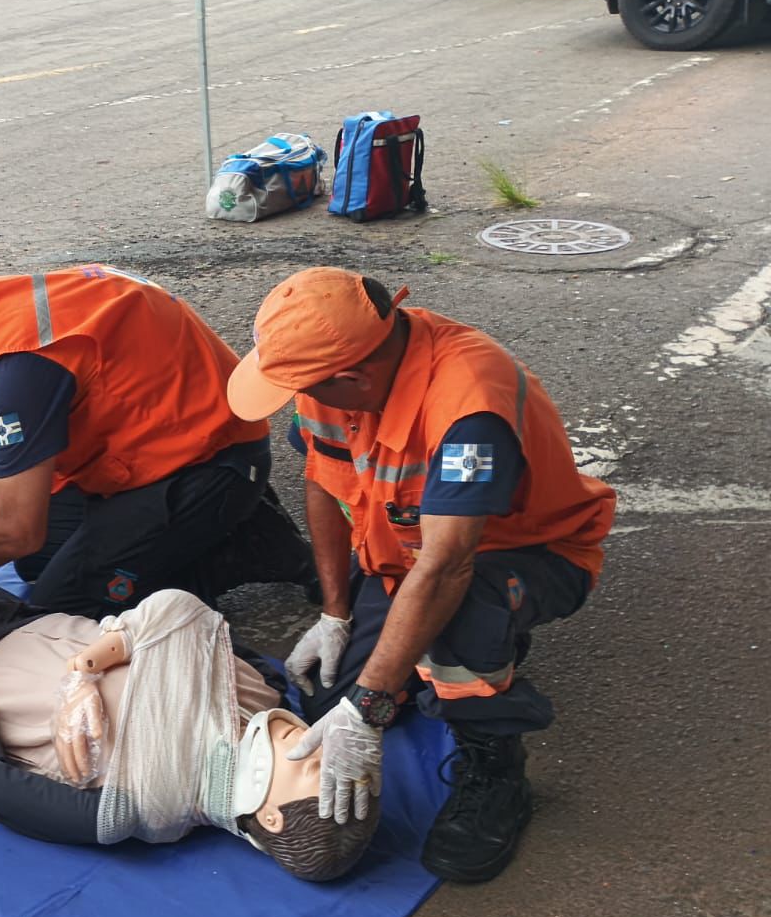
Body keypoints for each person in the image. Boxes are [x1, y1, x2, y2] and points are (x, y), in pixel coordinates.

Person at [0, 455, 378, 881]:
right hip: (12, 618)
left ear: (268, 815)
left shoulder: (141, 808)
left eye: (320, 771)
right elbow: (182, 612)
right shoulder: (263, 697)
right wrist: (85, 670)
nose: (323, 749)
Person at [225, 267, 616, 883]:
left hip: (526, 555)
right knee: (329, 697)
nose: (295, 400)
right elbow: (324, 486)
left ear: (353, 376)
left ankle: (497, 770)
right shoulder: (330, 379)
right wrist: (334, 613)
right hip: (405, 552)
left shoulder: (469, 407)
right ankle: (450, 658)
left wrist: (372, 706)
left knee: (456, 623)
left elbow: (448, 566)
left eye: (301, 388)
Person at [0, 259, 313, 618]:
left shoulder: (20, 365)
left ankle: (238, 552)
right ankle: (223, 532)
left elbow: (17, 531)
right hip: (179, 439)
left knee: (65, 605)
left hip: (208, 464)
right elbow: (32, 461)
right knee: (37, 562)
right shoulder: (13, 304)